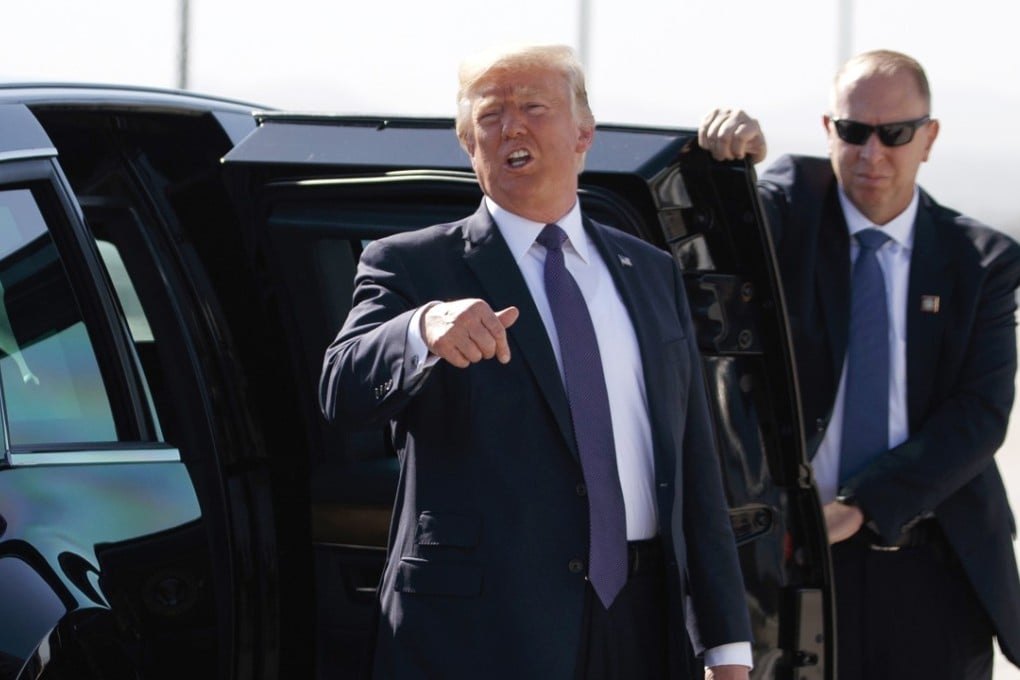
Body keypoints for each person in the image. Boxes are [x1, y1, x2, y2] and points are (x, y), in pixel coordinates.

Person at [320, 44, 752, 679]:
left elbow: (694, 465)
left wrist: (726, 646)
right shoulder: (410, 265)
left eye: (533, 107)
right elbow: (341, 388)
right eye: (491, 115)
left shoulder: (650, 272)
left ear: (584, 134)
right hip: (484, 633)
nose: (512, 126)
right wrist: (419, 328)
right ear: (468, 142)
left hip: (643, 621)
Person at [699, 49, 1020, 680]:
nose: (872, 153)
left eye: (895, 134)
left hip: (934, 562)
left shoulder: (981, 261)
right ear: (828, 131)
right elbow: (734, 215)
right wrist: (734, 156)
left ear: (929, 139)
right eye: (853, 132)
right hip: (797, 568)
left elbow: (979, 418)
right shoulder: (789, 220)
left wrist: (858, 506)